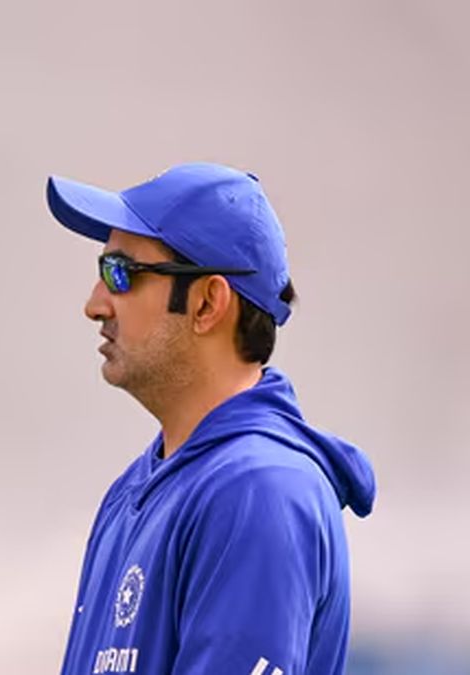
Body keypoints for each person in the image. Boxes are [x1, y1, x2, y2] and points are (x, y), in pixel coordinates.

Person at [45, 163, 376, 675]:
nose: (94, 304)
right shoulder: (136, 491)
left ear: (207, 304)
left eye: (121, 273)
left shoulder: (261, 493)